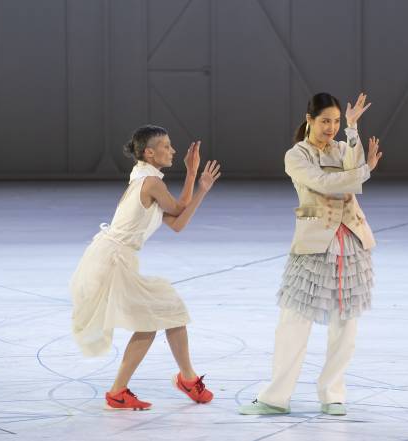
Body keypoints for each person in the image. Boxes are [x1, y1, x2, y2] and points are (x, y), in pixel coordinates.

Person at [239, 92, 382, 416]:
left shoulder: (343, 147)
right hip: (314, 242)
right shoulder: (296, 155)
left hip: (352, 241)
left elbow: (354, 170)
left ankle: (333, 394)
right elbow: (325, 183)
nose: (331, 127)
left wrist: (353, 128)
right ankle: (276, 396)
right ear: (309, 121)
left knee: (345, 322)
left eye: (335, 121)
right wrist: (363, 172)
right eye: (325, 121)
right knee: (294, 320)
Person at [70, 125, 221, 410]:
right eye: (166, 145)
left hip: (112, 257)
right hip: (112, 260)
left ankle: (185, 379)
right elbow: (179, 209)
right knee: (154, 317)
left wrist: (197, 184)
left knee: (169, 309)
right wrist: (195, 180)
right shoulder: (151, 183)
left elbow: (177, 223)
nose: (173, 150)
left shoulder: (144, 177)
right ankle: (121, 391)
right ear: (149, 153)